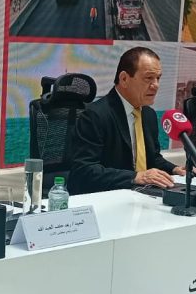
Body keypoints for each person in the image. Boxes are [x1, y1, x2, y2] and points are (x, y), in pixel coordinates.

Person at [68, 46, 186, 194]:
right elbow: (84, 170)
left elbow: (153, 158)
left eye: (158, 78)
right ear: (124, 79)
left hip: (142, 195)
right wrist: (136, 177)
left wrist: (175, 169)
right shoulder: (95, 115)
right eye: (149, 78)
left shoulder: (148, 114)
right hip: (108, 197)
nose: (156, 85)